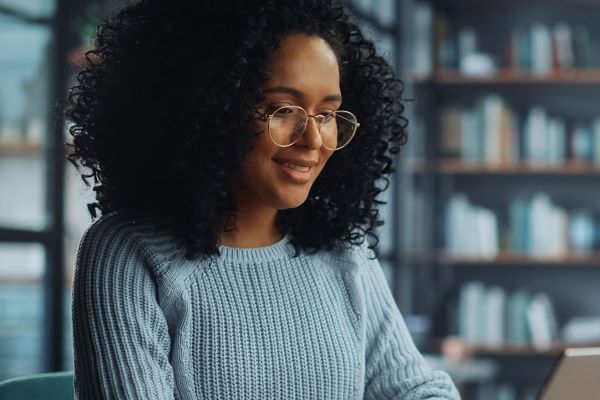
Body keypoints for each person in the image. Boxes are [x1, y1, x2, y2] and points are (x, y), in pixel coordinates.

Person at [65, 0, 461, 399]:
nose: (313, 139)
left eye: (327, 114)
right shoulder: (129, 255)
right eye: (281, 109)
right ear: (208, 105)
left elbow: (414, 389)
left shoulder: (345, 251)